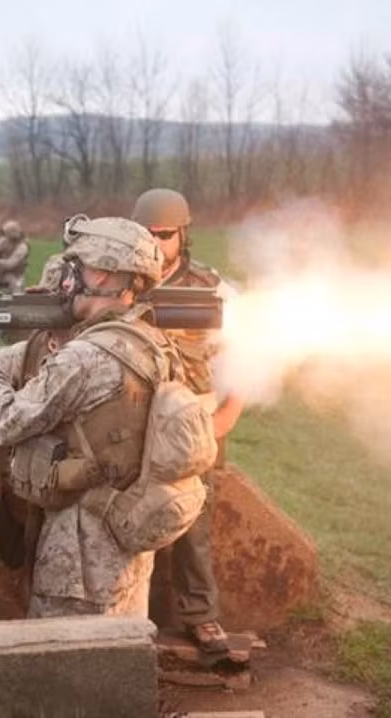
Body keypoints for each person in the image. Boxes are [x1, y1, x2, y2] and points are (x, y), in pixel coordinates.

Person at [0, 215, 187, 618]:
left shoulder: (88, 357)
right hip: (125, 544)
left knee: (62, 671)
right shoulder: (150, 341)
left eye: (76, 270)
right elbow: (8, 368)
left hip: (78, 560)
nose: (66, 282)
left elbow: (6, 420)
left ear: (104, 274)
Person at [132, 187, 245, 655]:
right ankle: (128, 620)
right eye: (148, 235)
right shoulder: (122, 282)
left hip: (194, 423)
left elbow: (245, 361)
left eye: (165, 235)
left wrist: (223, 422)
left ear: (183, 235)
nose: (157, 245)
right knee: (129, 519)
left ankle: (201, 615)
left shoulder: (212, 290)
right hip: (134, 421)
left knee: (194, 522)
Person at [0, 220, 30, 293]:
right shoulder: (3, 241)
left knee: (12, 283)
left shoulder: (22, 247)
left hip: (15, 276)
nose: (5, 236)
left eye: (6, 233)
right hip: (0, 273)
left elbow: (10, 264)